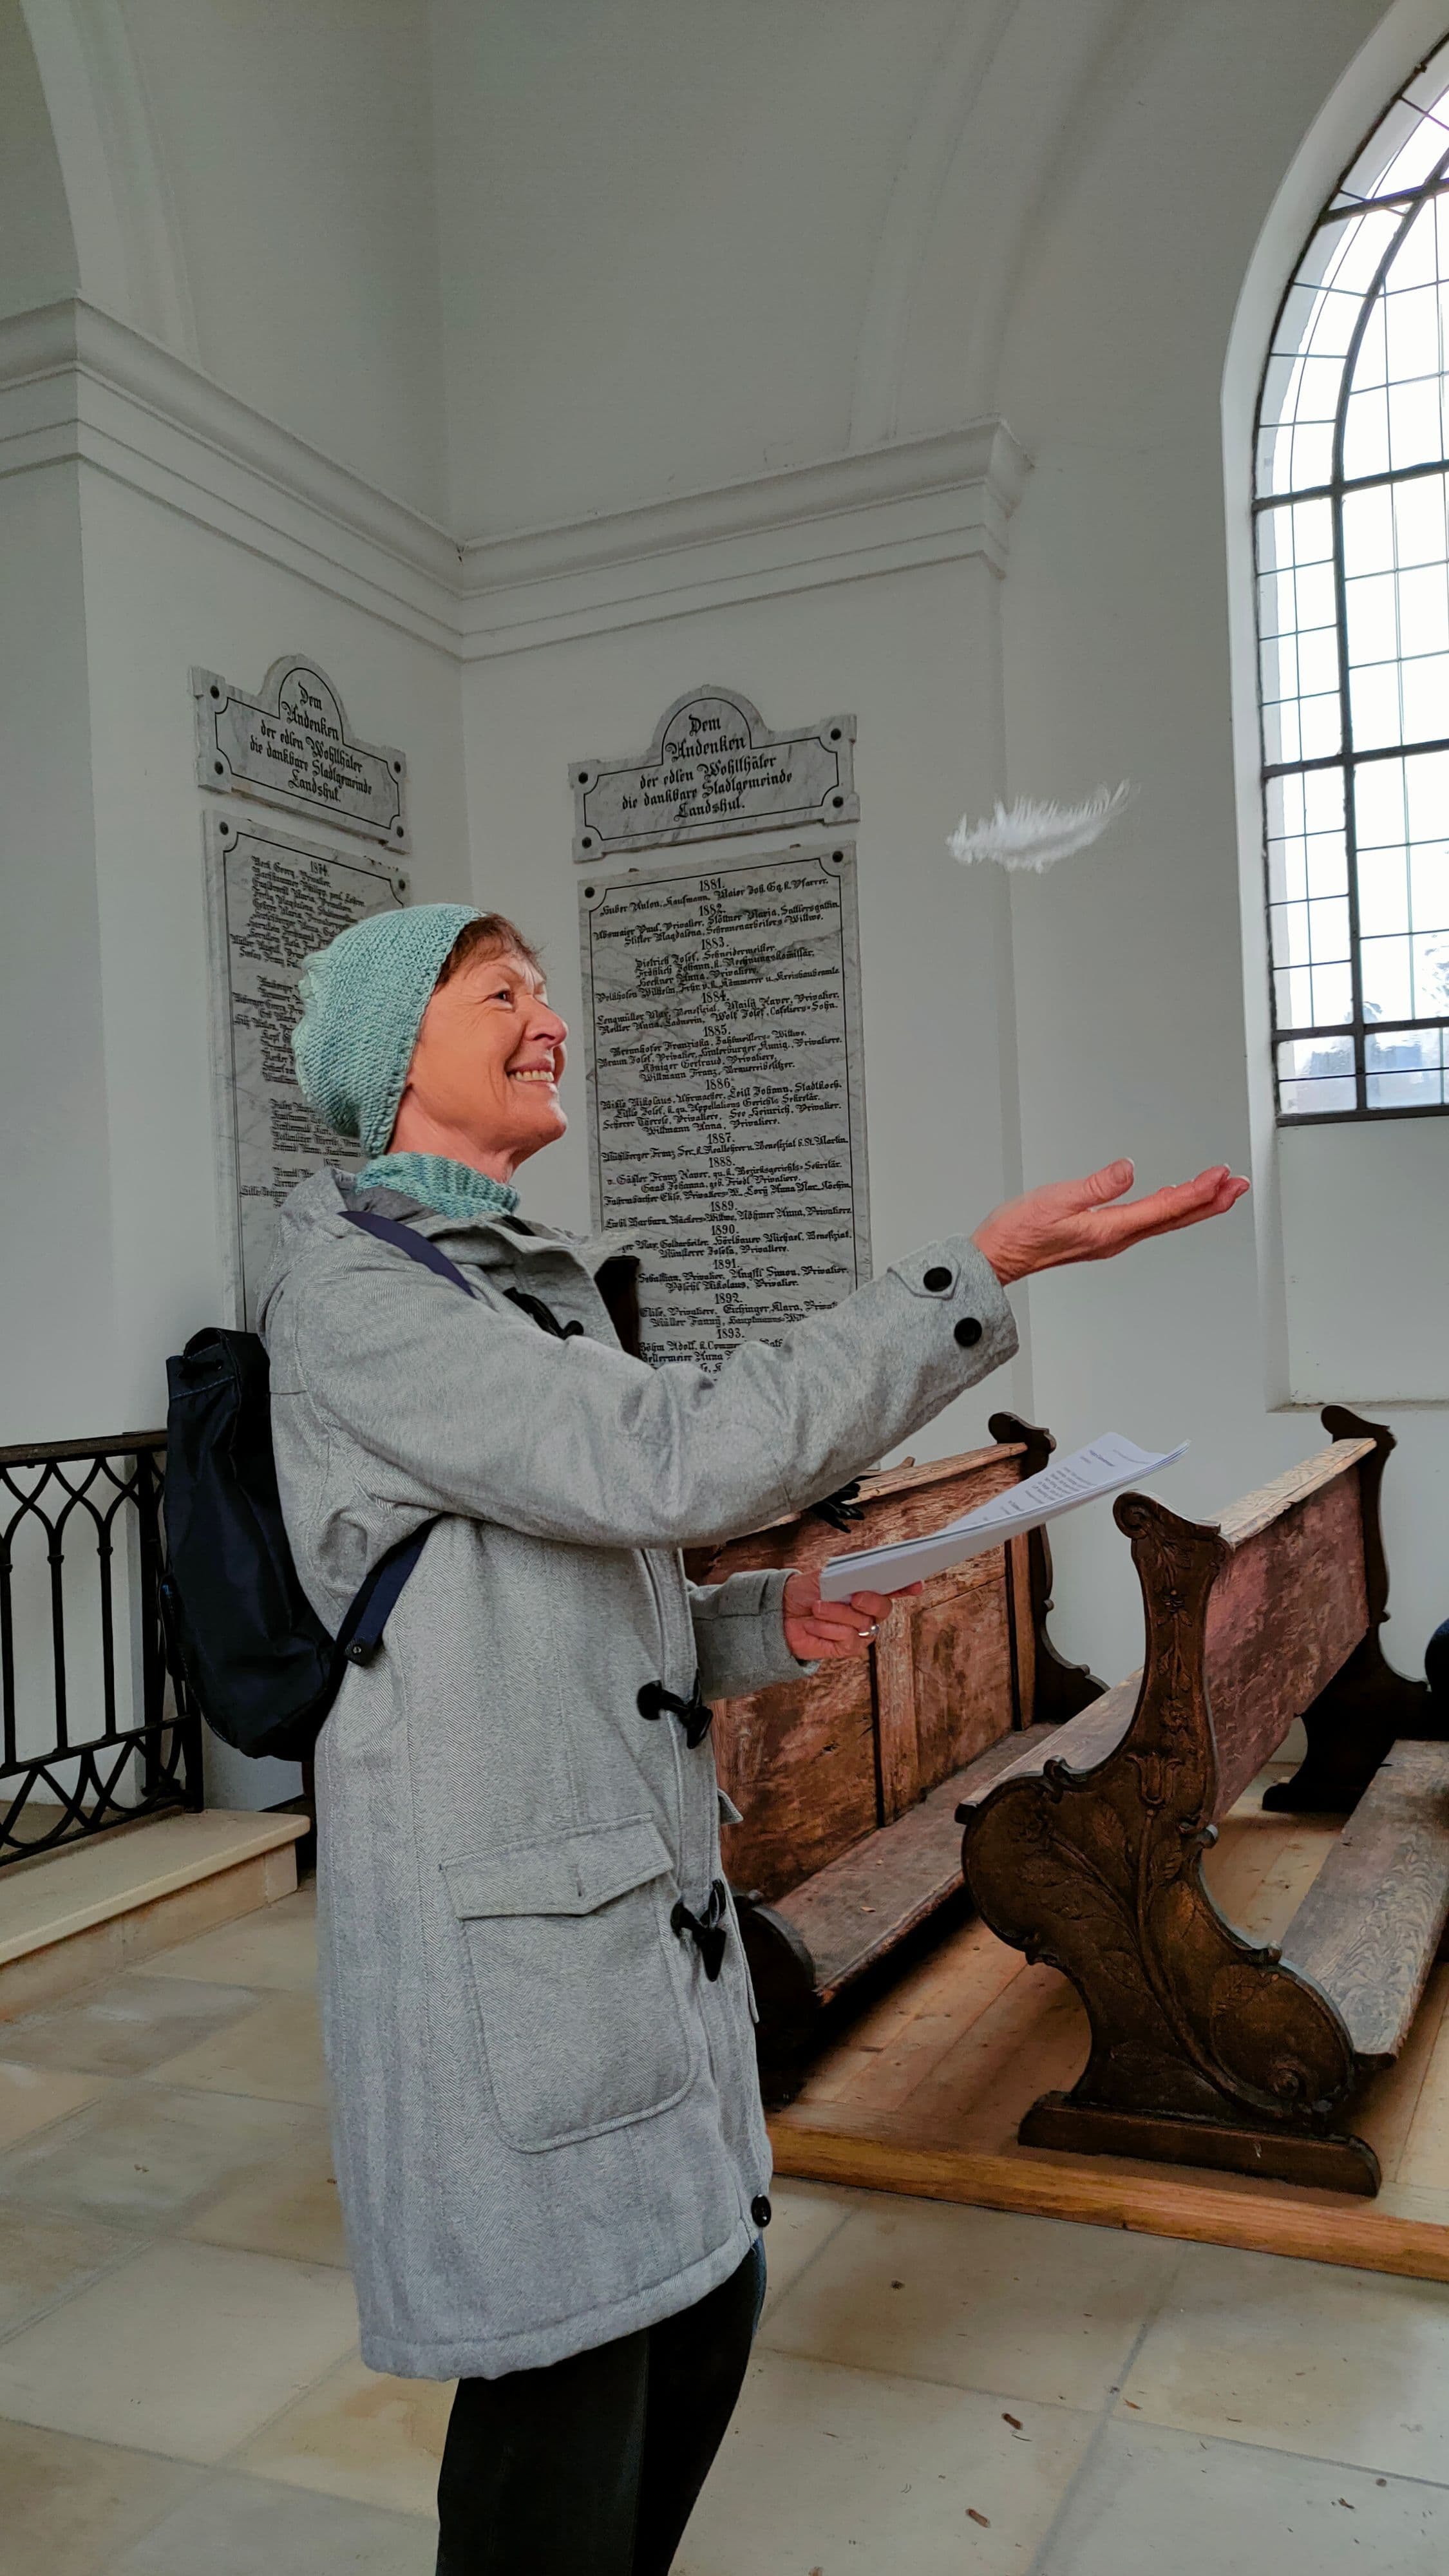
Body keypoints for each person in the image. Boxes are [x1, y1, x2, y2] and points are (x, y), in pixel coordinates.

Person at [267, 900, 1247, 2575]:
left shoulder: (497, 1280)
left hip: (617, 1925)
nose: (550, 1019)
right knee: (566, 2421)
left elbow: (543, 1586)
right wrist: (979, 1271)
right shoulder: (371, 1287)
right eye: (501, 992)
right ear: (389, 1054)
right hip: (511, 1940)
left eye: (547, 990)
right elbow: (682, 1464)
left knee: (698, 2317)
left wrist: (753, 1627)